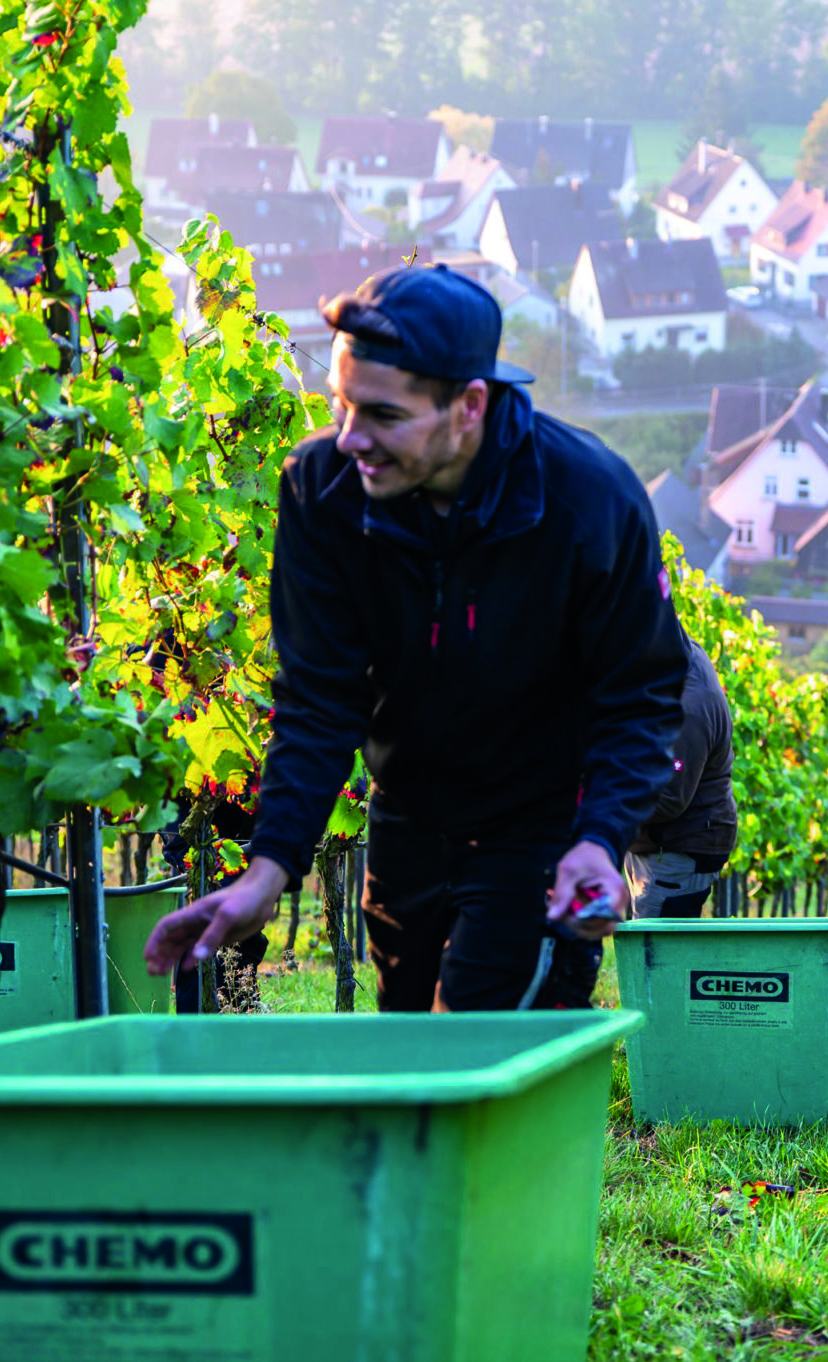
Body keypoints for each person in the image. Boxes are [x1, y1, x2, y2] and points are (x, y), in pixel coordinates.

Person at [144, 264, 687, 1010]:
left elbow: (642, 693)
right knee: (405, 1038)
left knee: (474, 1044)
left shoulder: (588, 501)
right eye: (340, 405)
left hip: (538, 828)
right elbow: (320, 697)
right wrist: (269, 868)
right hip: (405, 818)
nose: (349, 437)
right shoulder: (322, 488)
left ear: (469, 405)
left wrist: (599, 838)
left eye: (382, 416)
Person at [624, 631, 735, 918]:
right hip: (664, 845)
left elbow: (669, 797)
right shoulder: (678, 651)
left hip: (677, 848)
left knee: (656, 954)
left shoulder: (687, 706)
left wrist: (600, 805)